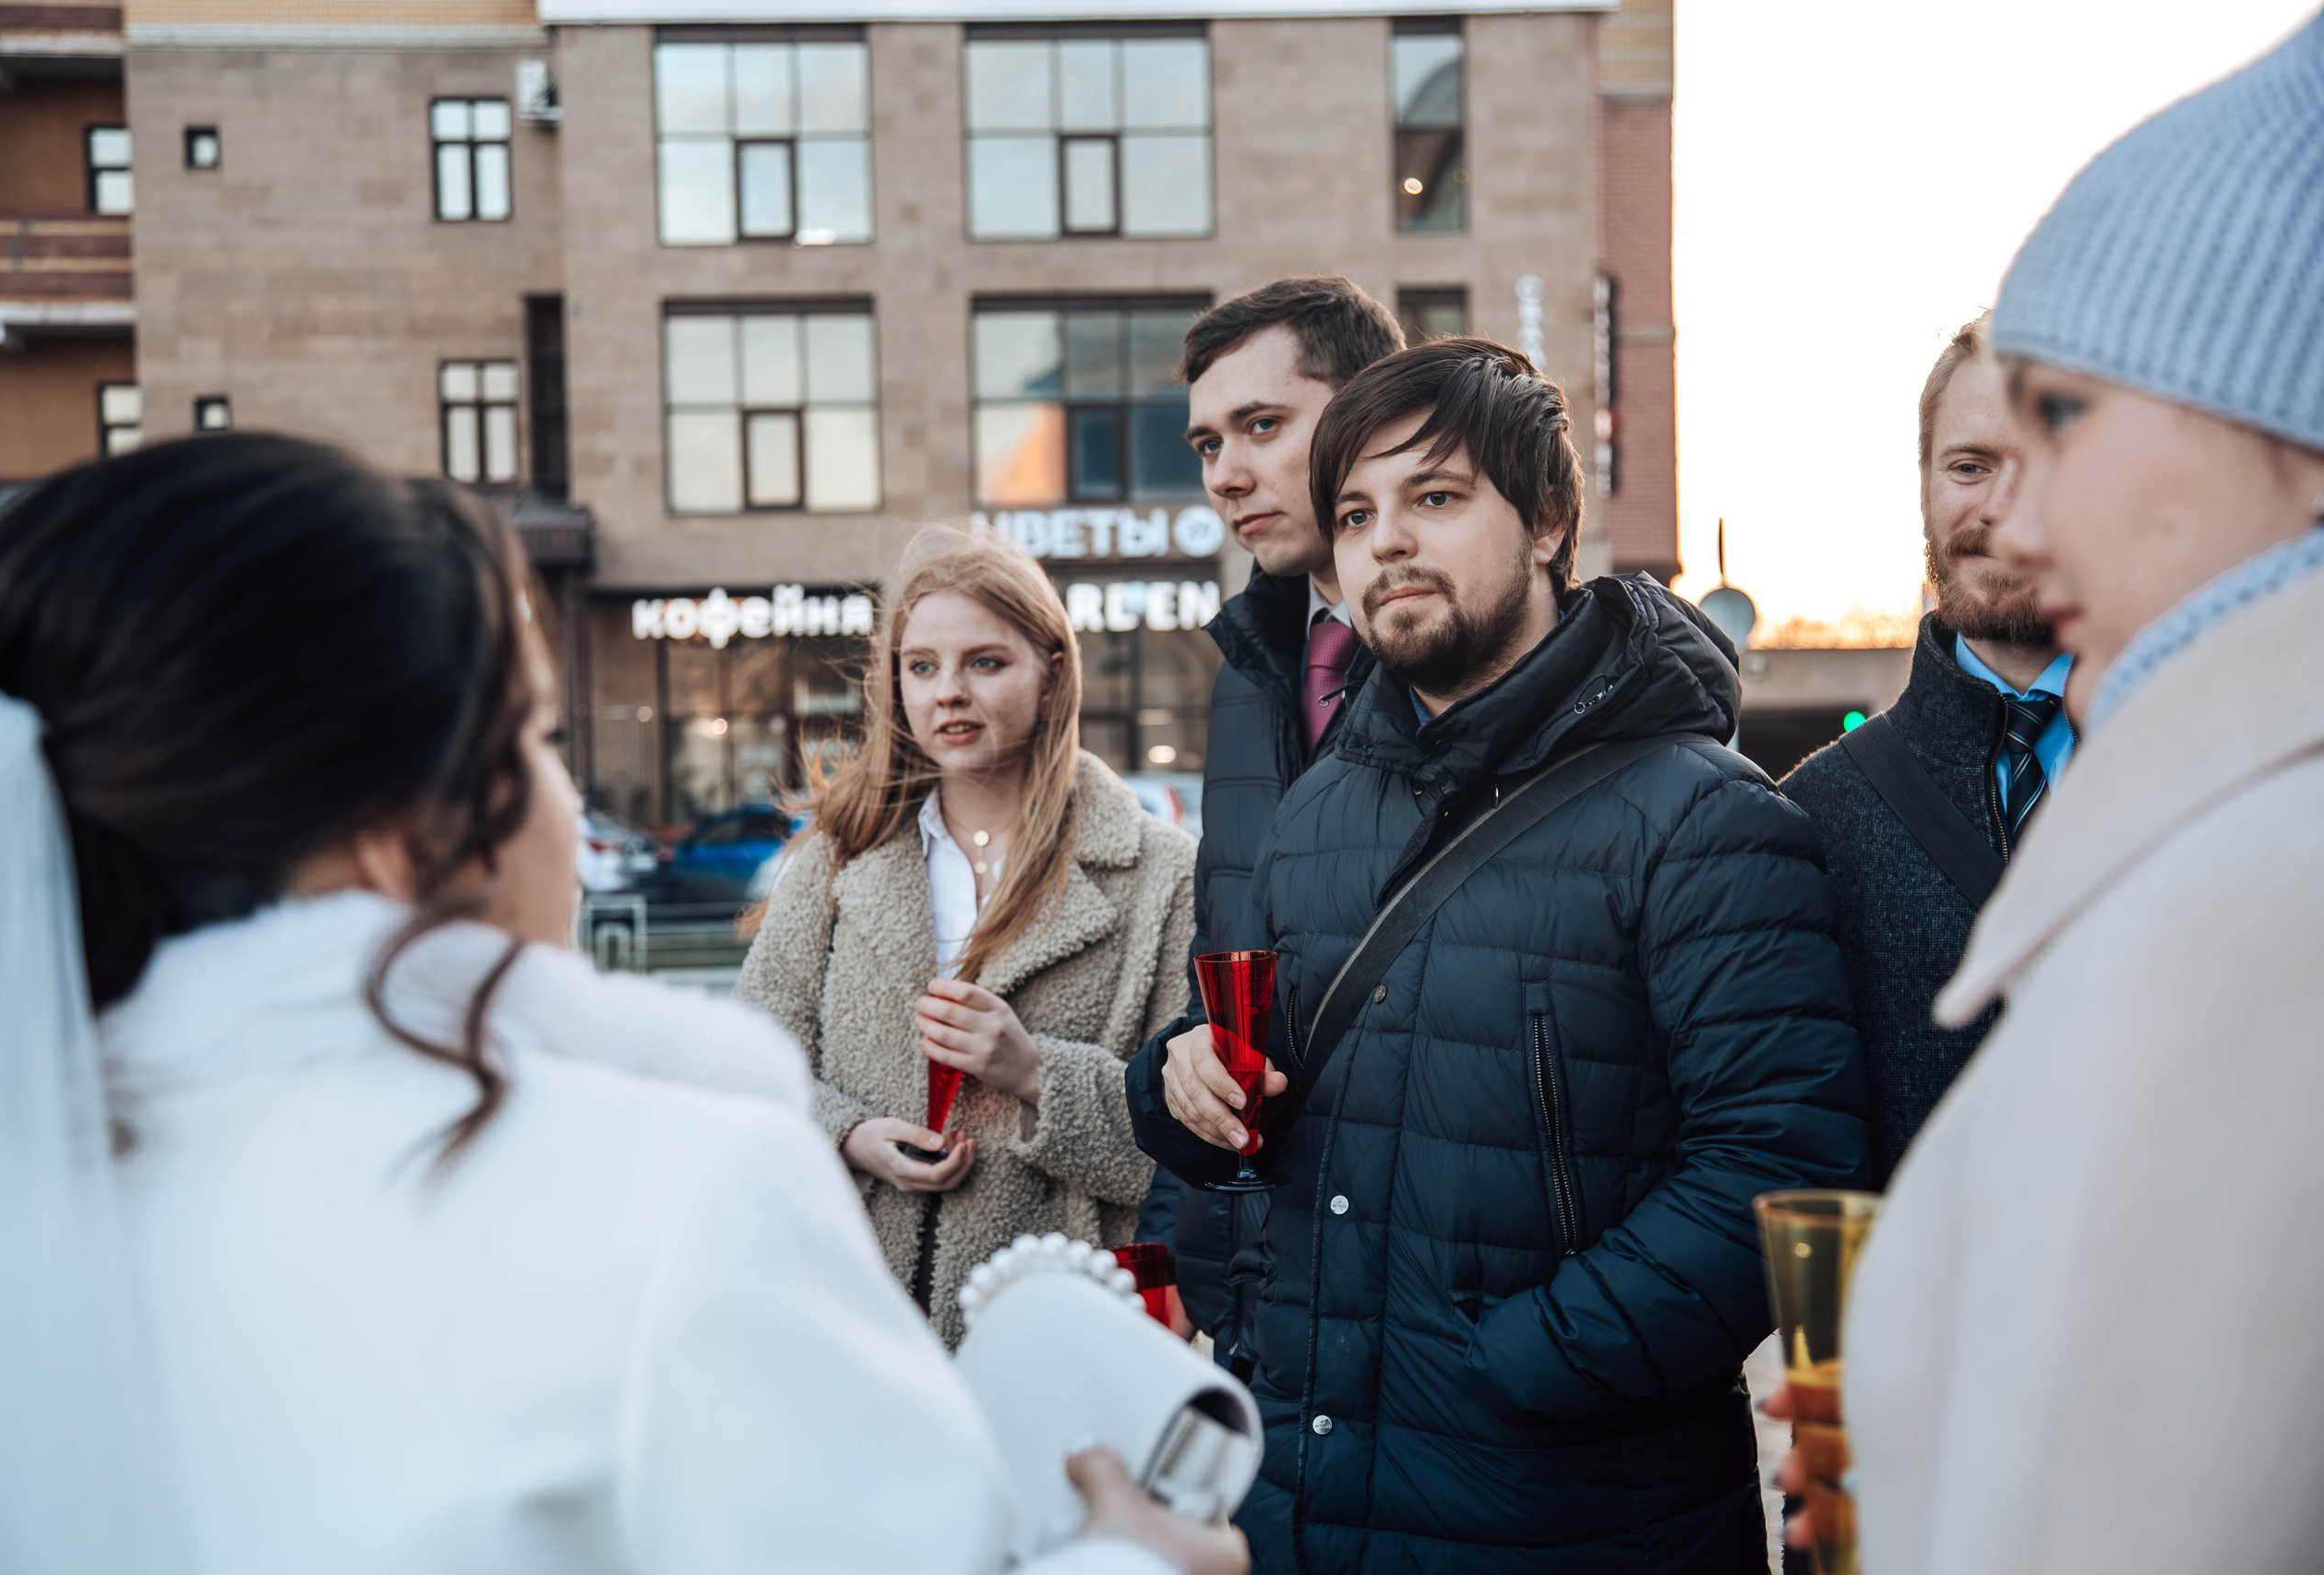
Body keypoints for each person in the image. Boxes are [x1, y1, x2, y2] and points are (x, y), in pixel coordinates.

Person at [0, 434, 1240, 1575]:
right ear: (395, 831)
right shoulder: (675, 1186)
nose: (572, 809)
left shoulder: (16, 1203)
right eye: (536, 739)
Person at [1127, 338, 1870, 1571]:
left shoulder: (1705, 816)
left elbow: (1780, 1160)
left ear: (1548, 520)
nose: (1387, 542)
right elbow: (1273, 1076)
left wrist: (1522, 1355)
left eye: (1437, 496)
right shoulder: (1314, 811)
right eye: (1357, 511)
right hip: (1299, 1499)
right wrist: (1177, 1081)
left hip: (1567, 1509)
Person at [1835, 18, 2324, 1574]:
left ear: (2290, 432)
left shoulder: (2261, 889)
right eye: (1983, 445)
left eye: (2066, 417)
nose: (2014, 517)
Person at [737, 526, 1197, 1347]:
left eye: (985, 661)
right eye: (923, 666)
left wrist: (1034, 1072)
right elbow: (747, 1065)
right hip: (854, 1323)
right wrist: (848, 1133)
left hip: (1062, 1333)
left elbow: (1190, 1143)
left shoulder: (1161, 874)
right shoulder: (836, 861)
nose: (948, 691)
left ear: (1053, 672)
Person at [1135, 276, 1406, 1358]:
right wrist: (1171, 1256)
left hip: (1417, 1300)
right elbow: (1225, 970)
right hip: (1256, 1297)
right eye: (1206, 445)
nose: (1226, 474)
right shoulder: (1249, 673)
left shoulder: (1466, 661)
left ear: (1370, 415)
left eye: (1261, 425)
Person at [1779, 315, 2074, 1184]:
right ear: (1924, 488)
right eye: (1969, 466)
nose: (1997, 508)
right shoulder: (1811, 819)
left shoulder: (2209, 775)